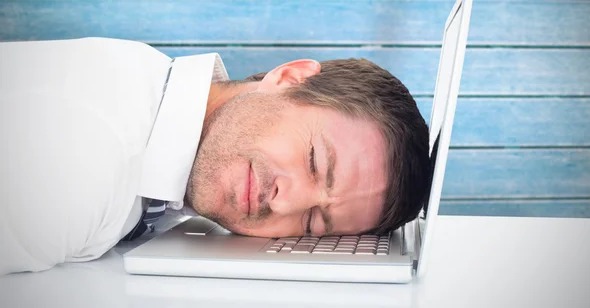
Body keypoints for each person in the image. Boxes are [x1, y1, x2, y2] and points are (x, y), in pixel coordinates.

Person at [0, 37, 431, 275]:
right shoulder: (89, 162)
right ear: (290, 77)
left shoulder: (148, 90)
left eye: (312, 223)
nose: (283, 202)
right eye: (316, 162)